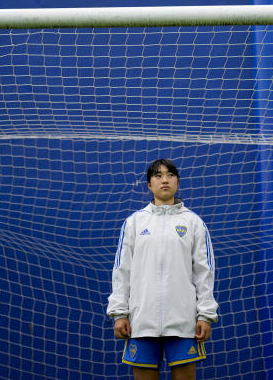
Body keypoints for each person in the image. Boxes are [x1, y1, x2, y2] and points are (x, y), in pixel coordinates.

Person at [107, 159, 218, 380]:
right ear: (149, 185)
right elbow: (122, 270)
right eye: (158, 176)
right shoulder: (134, 223)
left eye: (170, 175)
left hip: (183, 323)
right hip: (141, 322)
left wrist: (205, 315)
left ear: (177, 182)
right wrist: (119, 313)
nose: (164, 180)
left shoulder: (194, 223)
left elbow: (204, 273)